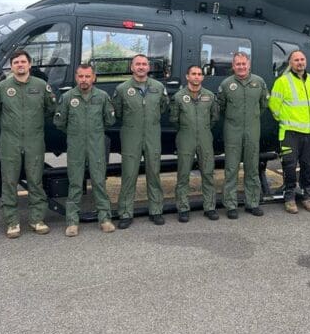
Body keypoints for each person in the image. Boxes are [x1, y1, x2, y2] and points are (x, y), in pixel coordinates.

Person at [0, 49, 57, 238]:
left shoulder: (41, 85)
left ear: (29, 64)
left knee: (36, 181)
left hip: (34, 141)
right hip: (10, 142)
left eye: (23, 62)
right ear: (11, 66)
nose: (20, 65)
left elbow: (51, 108)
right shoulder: (2, 87)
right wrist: (10, 125)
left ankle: (37, 220)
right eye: (16, 62)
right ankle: (12, 223)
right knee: (9, 182)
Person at [54, 64, 117, 236]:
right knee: (75, 183)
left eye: (87, 76)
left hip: (96, 144)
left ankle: (105, 219)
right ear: (76, 77)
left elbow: (109, 121)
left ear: (94, 77)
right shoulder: (68, 97)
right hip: (76, 145)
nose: (84, 80)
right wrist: (76, 132)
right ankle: (72, 222)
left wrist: (94, 131)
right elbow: (60, 122)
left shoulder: (102, 96)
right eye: (81, 76)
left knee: (99, 182)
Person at [112, 54, 169, 227]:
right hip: (131, 136)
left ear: (149, 67)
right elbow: (118, 112)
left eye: (144, 64)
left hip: (152, 135)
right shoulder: (122, 89)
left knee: (154, 173)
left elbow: (163, 107)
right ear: (132, 67)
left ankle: (156, 210)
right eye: (138, 64)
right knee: (129, 174)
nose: (141, 67)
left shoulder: (158, 87)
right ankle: (126, 213)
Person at [268, 50, 310, 214]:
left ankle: (308, 196)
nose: (300, 62)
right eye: (296, 60)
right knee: (290, 166)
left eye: (302, 59)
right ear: (291, 63)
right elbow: (274, 105)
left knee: (309, 165)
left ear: (305, 61)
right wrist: (286, 120)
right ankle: (290, 197)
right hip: (291, 133)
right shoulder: (282, 82)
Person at [216, 52, 268, 219]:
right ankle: (230, 205)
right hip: (232, 130)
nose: (241, 67)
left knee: (252, 167)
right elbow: (222, 107)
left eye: (243, 64)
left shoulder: (259, 82)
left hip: (252, 130)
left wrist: (250, 118)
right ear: (233, 66)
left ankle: (252, 203)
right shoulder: (226, 84)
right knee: (231, 168)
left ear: (249, 64)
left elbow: (263, 105)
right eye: (237, 64)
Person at [170, 65, 220, 222]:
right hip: (185, 137)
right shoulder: (179, 97)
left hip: (205, 136)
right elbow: (174, 120)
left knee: (208, 173)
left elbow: (214, 117)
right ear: (187, 77)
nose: (197, 76)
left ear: (202, 77)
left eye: (199, 74)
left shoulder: (210, 96)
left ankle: (209, 207)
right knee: (183, 174)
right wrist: (188, 129)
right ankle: (183, 208)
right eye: (193, 74)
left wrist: (202, 129)